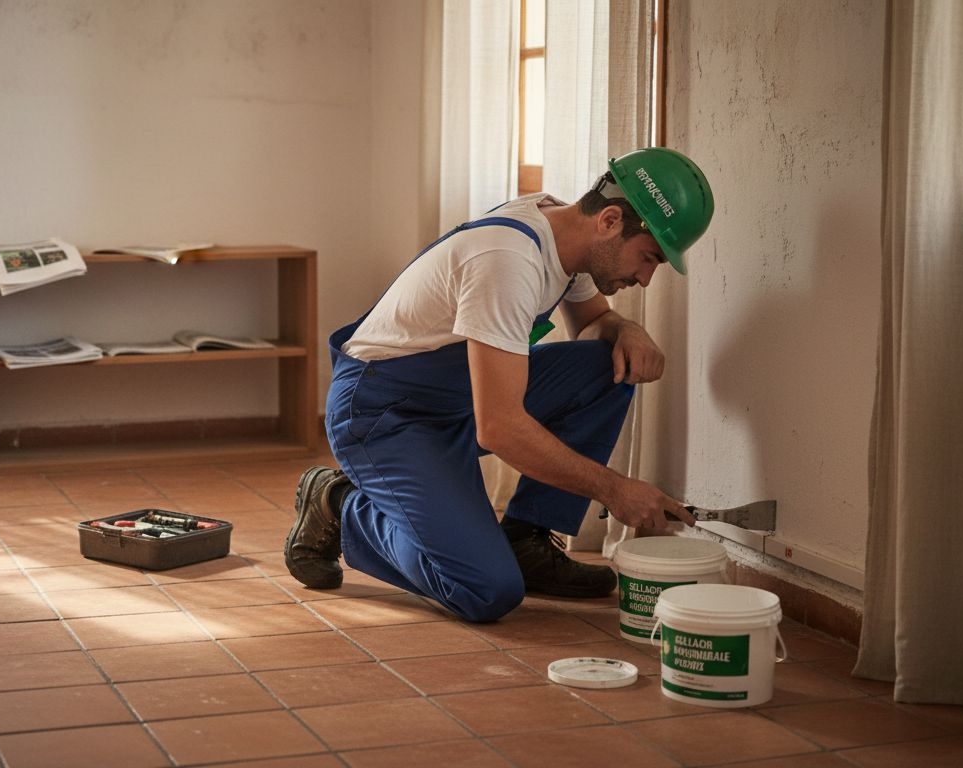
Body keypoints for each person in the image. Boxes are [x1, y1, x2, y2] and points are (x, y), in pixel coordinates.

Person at [285, 147, 715, 623]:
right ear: (610, 221)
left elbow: (595, 323)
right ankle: (337, 504)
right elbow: (501, 429)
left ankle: (527, 541)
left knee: (605, 367)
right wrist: (615, 490)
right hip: (384, 416)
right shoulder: (509, 261)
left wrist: (625, 329)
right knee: (485, 589)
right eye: (649, 257)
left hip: (456, 400)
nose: (646, 277)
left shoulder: (562, 231)